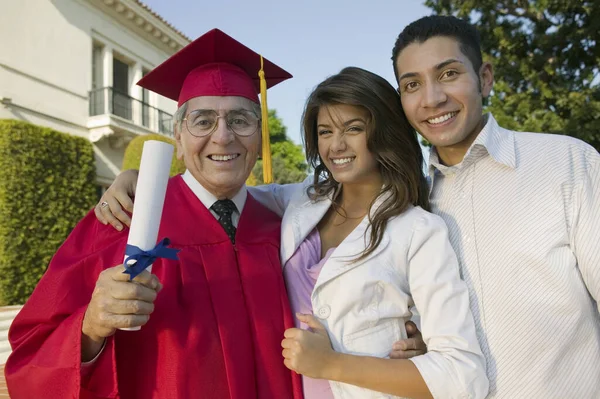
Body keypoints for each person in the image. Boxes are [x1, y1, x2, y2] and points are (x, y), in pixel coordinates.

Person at [96, 67, 489, 398]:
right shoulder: (301, 202)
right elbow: (222, 185)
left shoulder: (419, 231)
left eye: (353, 128)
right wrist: (138, 179)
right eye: (324, 131)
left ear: (383, 132)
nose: (336, 146)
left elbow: (463, 373)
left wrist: (332, 363)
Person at [5, 29, 303, 399]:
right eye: (203, 120)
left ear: (259, 138)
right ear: (177, 138)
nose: (223, 136)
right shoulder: (122, 220)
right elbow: (31, 355)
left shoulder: (288, 227)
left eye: (241, 120)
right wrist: (91, 327)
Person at [389, 15, 600, 398]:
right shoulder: (410, 208)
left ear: (485, 77)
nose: (432, 98)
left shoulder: (567, 163)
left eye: (449, 74)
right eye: (412, 84)